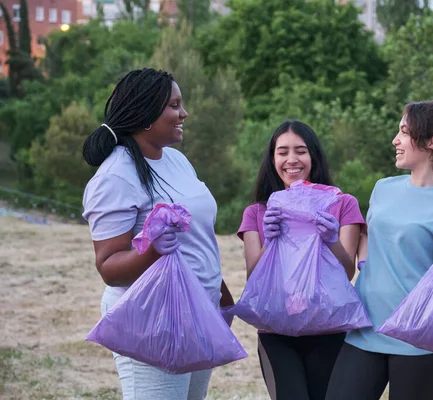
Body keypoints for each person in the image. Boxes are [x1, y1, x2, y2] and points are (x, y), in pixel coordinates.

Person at [81, 68, 233, 400]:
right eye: (174, 105)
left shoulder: (177, 162)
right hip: (153, 319)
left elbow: (197, 239)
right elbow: (108, 266)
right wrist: (152, 249)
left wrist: (220, 298)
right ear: (146, 114)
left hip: (197, 314)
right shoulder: (116, 176)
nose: (184, 113)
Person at [325, 100, 433, 400]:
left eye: (404, 131)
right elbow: (371, 244)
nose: (396, 140)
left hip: (420, 339)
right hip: (366, 328)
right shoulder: (383, 188)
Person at [237, 120, 365, 400]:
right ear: (272, 159)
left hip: (329, 328)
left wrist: (331, 239)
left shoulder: (343, 204)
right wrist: (270, 241)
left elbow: (346, 271)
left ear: (314, 156)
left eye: (301, 151)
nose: (291, 160)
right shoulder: (257, 213)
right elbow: (254, 277)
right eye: (282, 152)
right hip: (275, 331)